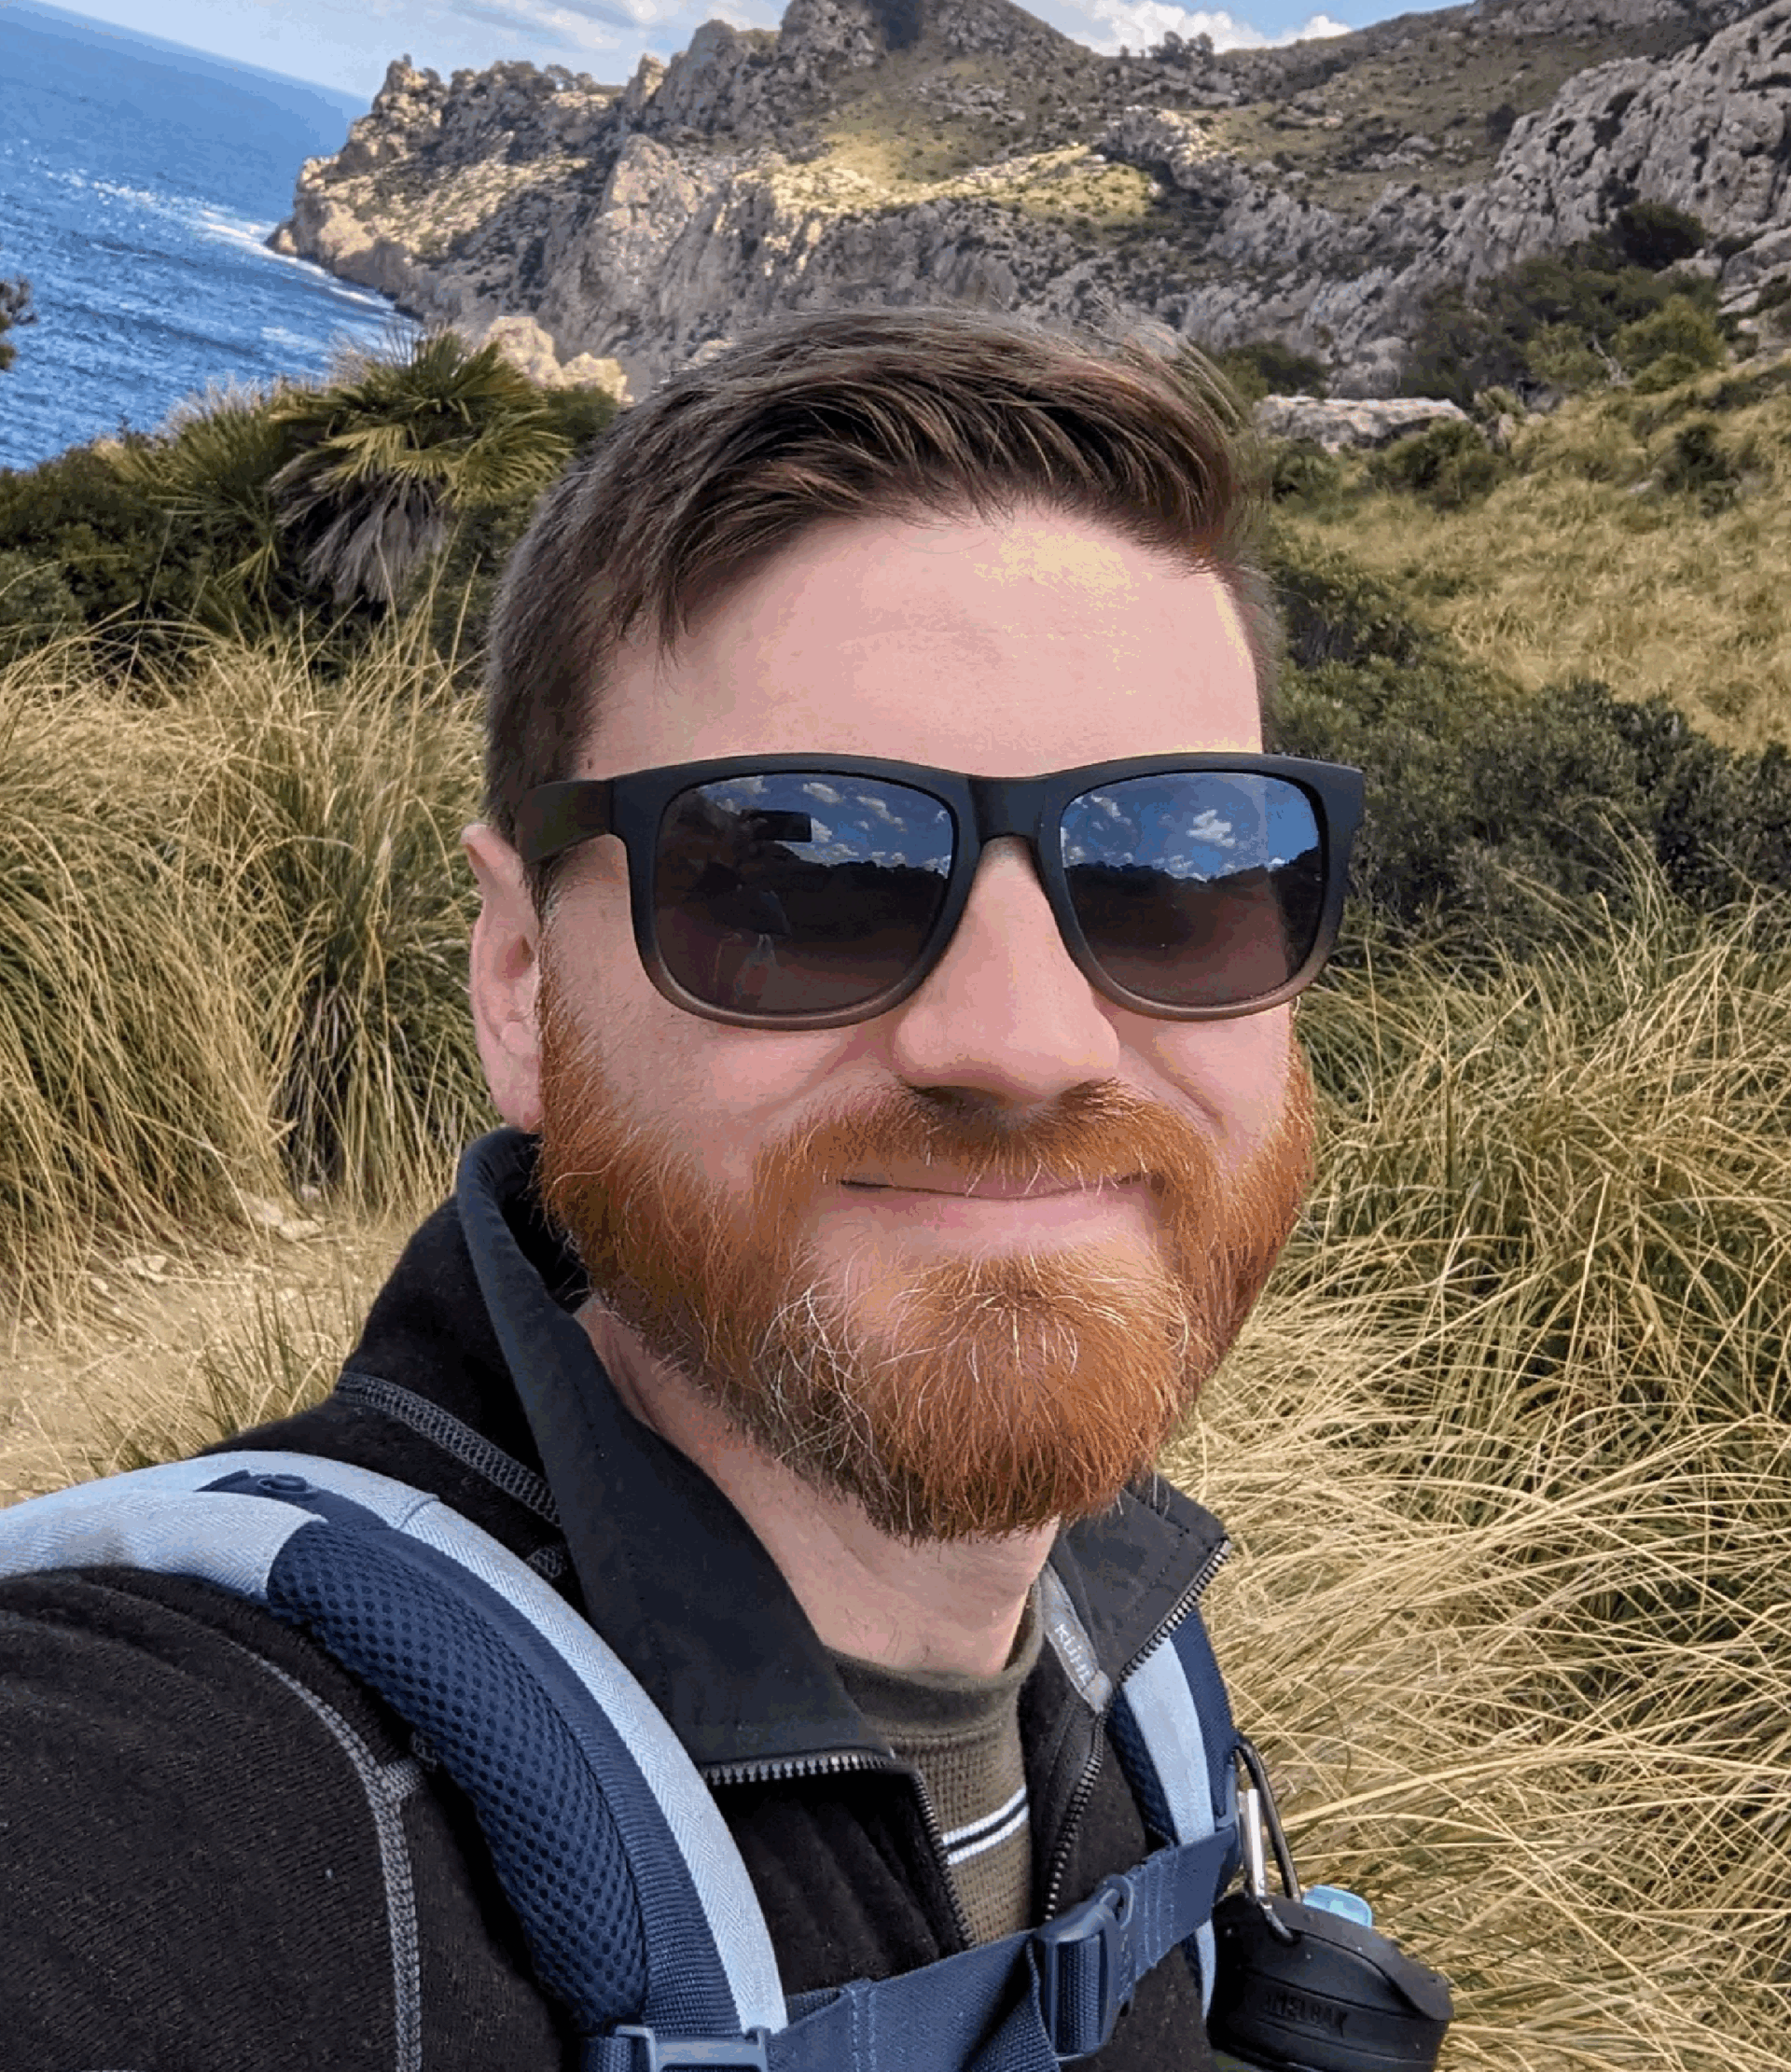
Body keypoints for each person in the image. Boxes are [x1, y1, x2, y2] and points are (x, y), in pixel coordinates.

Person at [0, 305, 1355, 2070]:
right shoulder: (181, 1798)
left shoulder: (1144, 1683)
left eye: (1174, 873)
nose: (1025, 1043)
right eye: (798, 875)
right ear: (519, 983)